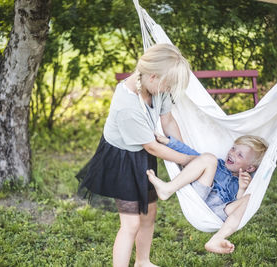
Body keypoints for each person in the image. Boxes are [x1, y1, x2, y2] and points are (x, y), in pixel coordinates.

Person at [77, 43, 194, 267]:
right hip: (122, 161)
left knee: (149, 215)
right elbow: (152, 147)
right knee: (130, 225)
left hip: (142, 156)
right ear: (152, 76)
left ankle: (143, 262)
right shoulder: (127, 105)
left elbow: (167, 121)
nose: (169, 88)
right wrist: (189, 162)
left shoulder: (157, 88)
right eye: (168, 84)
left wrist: (184, 150)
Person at [147, 134, 268, 254]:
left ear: (250, 168)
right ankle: (168, 188)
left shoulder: (243, 183)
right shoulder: (218, 164)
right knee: (209, 158)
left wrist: (242, 189)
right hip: (200, 196)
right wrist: (169, 142)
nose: (232, 153)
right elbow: (190, 154)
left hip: (220, 210)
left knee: (248, 199)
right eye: (233, 148)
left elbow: (238, 209)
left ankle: (217, 238)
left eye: (240, 155)